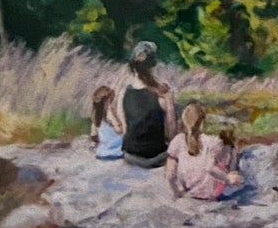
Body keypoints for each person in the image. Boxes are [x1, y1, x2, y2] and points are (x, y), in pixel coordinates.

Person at [166, 103, 245, 201]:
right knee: (229, 152)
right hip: (213, 192)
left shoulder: (177, 140)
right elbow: (210, 168)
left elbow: (169, 175)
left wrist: (176, 193)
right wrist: (228, 178)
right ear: (203, 122)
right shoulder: (211, 141)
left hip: (188, 189)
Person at [121, 40, 177, 168]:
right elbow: (172, 133)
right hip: (155, 157)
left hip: (130, 155)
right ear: (153, 65)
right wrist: (170, 104)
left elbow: (125, 130)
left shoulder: (124, 93)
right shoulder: (162, 96)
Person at [89, 85, 124, 161]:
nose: (112, 102)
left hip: (101, 154)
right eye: (111, 100)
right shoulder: (110, 115)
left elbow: (93, 135)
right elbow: (119, 130)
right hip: (116, 153)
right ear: (107, 102)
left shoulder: (95, 117)